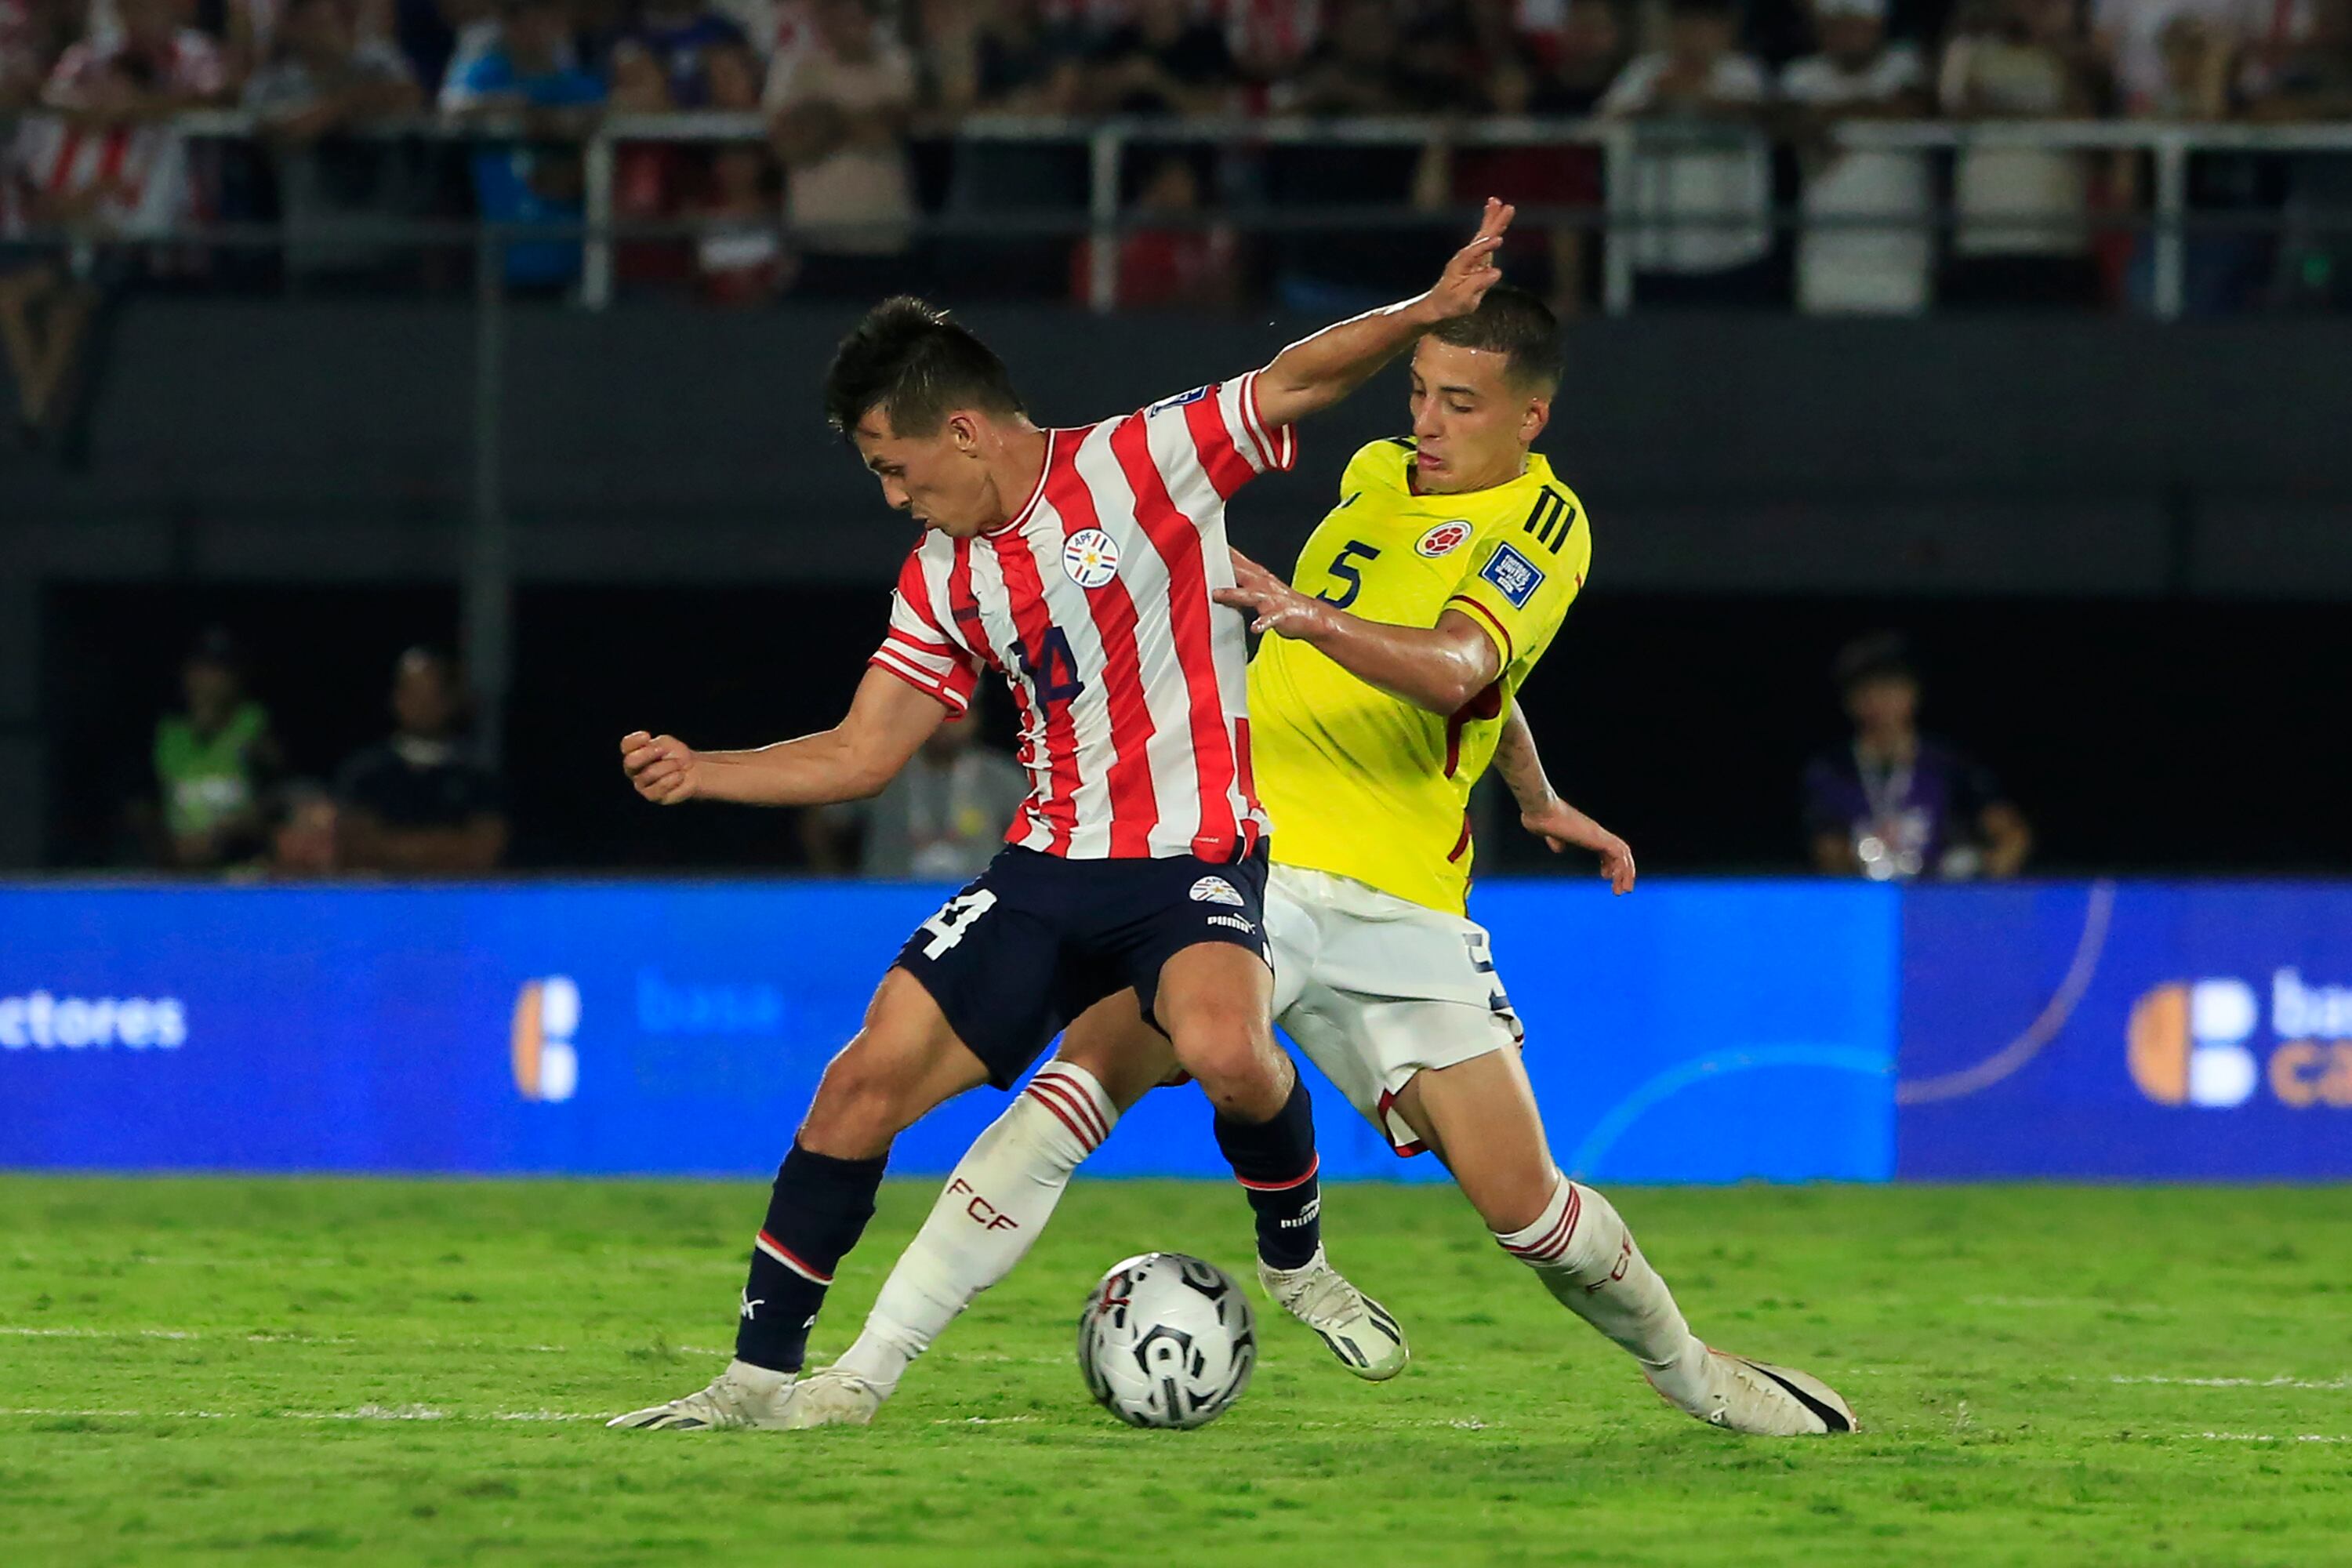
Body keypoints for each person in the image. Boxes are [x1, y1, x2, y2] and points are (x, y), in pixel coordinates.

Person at [782, 285, 1859, 1438]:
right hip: (1247, 860)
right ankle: (865, 1372)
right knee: (1077, 1088)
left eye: (1459, 403)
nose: (1428, 422)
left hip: (1402, 903)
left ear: (1529, 419)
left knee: (1526, 1209)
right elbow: (1454, 675)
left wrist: (1309, 616)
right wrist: (1536, 793)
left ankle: (1691, 1371)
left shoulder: (1545, 528)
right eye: (1416, 393)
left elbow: (1460, 669)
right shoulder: (1376, 481)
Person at [606, 203, 1521, 1431]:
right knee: (857, 1087)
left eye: (895, 466)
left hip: (1193, 856)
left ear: (966, 431)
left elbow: (1291, 382)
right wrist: (702, 771)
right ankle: (760, 1382)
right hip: (1045, 870)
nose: (893, 498)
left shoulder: (1140, 463)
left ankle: (1295, 1264)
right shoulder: (943, 570)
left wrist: (1423, 312)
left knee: (1229, 1053)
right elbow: (865, 750)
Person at [1804, 633, 2030, 881]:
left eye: (1891, 687)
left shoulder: (1948, 764)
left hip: (1941, 901)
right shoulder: (1830, 771)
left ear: (1913, 693)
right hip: (1867, 901)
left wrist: (1981, 877)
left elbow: (2011, 835)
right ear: (1850, 701)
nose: (1880, 701)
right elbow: (1827, 850)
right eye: (1868, 690)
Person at [1599, 0, 1778, 308]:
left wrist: (1699, 99)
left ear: (1725, 30)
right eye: (1686, 24)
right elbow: (1605, 122)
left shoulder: (1745, 73)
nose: (1695, 35)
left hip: (1732, 251)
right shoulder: (1644, 72)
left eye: (1706, 25)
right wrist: (1657, 102)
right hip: (1656, 251)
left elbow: (1765, 115)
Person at [243, 0, 426, 286]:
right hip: (316, 254)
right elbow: (272, 135)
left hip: (389, 253)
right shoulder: (272, 83)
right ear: (294, 24)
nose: (339, 17)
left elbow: (410, 96)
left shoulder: (378, 62)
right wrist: (343, 112)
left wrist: (336, 109)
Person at [1936, 0, 2100, 308]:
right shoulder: (1967, 48)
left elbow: (2084, 117)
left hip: (2056, 237)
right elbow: (1956, 110)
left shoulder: (2068, 56)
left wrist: (2052, 44)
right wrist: (2037, 115)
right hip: (1985, 236)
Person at [440, 0, 606, 293]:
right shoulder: (484, 76)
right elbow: (451, 109)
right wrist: (524, 111)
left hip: (569, 260)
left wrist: (565, 127)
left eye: (544, 14)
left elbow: (605, 115)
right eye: (517, 15)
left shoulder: (581, 88)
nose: (532, 27)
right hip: (501, 260)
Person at [1781, 0, 1935, 314]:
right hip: (1823, 260)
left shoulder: (1905, 66)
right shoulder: (1800, 76)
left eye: (1856, 25)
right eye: (1836, 26)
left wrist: (1829, 116)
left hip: (1899, 262)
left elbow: (1911, 108)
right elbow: (1787, 120)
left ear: (1876, 26)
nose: (1846, 36)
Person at [763, 0, 916, 296]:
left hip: (885, 238)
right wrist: (862, 118)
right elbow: (790, 145)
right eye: (835, 10)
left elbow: (888, 129)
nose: (845, 20)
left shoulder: (897, 62)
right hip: (815, 238)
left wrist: (822, 119)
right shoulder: (792, 66)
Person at [800, 704, 1029, 880]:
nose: (946, 723)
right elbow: (821, 823)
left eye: (958, 713)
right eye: (937, 711)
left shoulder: (1001, 775)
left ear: (976, 719)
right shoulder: (882, 768)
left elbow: (1036, 839)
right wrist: (831, 881)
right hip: (888, 902)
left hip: (975, 909)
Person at [334, 647, 510, 874]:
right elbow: (357, 847)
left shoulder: (479, 775)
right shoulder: (365, 772)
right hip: (381, 902)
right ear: (397, 698)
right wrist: (444, 845)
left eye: (431, 695)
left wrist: (397, 846)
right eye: (413, 694)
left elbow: (484, 849)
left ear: (450, 700)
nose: (421, 705)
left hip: (457, 902)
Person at [146, 631, 283, 873]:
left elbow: (279, 801)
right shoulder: (168, 734)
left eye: (219, 671)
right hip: (178, 877)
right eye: (200, 669)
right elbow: (143, 811)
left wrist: (224, 837)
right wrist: (168, 847)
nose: (208, 680)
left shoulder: (254, 727)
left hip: (243, 875)